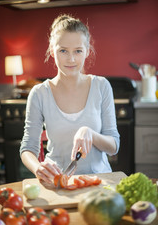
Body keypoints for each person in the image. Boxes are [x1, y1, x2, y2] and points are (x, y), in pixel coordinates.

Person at [20, 14, 120, 186]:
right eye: (63, 50)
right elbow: (28, 148)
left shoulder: (101, 86)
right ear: (52, 51)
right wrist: (38, 168)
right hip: (59, 182)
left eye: (78, 51)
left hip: (100, 182)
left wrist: (91, 133)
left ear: (87, 51)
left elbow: (113, 146)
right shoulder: (39, 93)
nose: (71, 59)